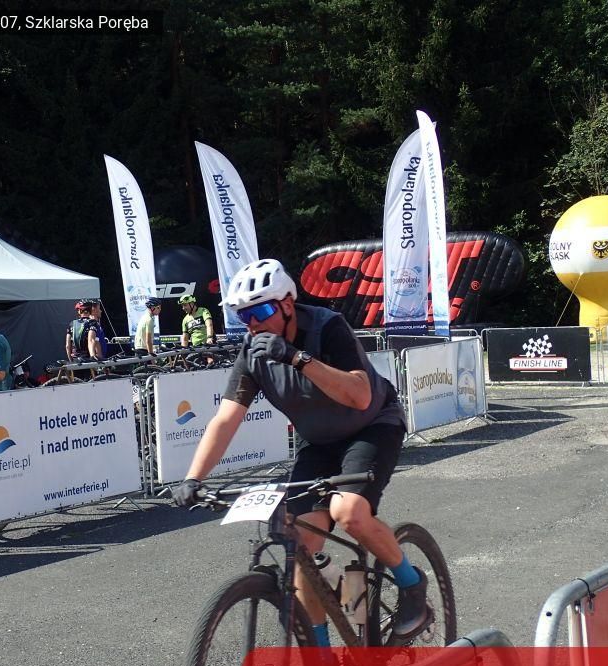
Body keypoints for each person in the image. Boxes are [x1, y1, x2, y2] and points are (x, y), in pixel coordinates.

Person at [171, 259, 429, 644]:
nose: (252, 324)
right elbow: (226, 419)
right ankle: (322, 656)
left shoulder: (328, 327)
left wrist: (296, 357)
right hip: (319, 441)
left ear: (288, 304)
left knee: (348, 513)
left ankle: (411, 584)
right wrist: (194, 478)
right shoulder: (253, 354)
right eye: (244, 316)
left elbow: (359, 396)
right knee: (301, 546)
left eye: (260, 312)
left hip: (372, 425)